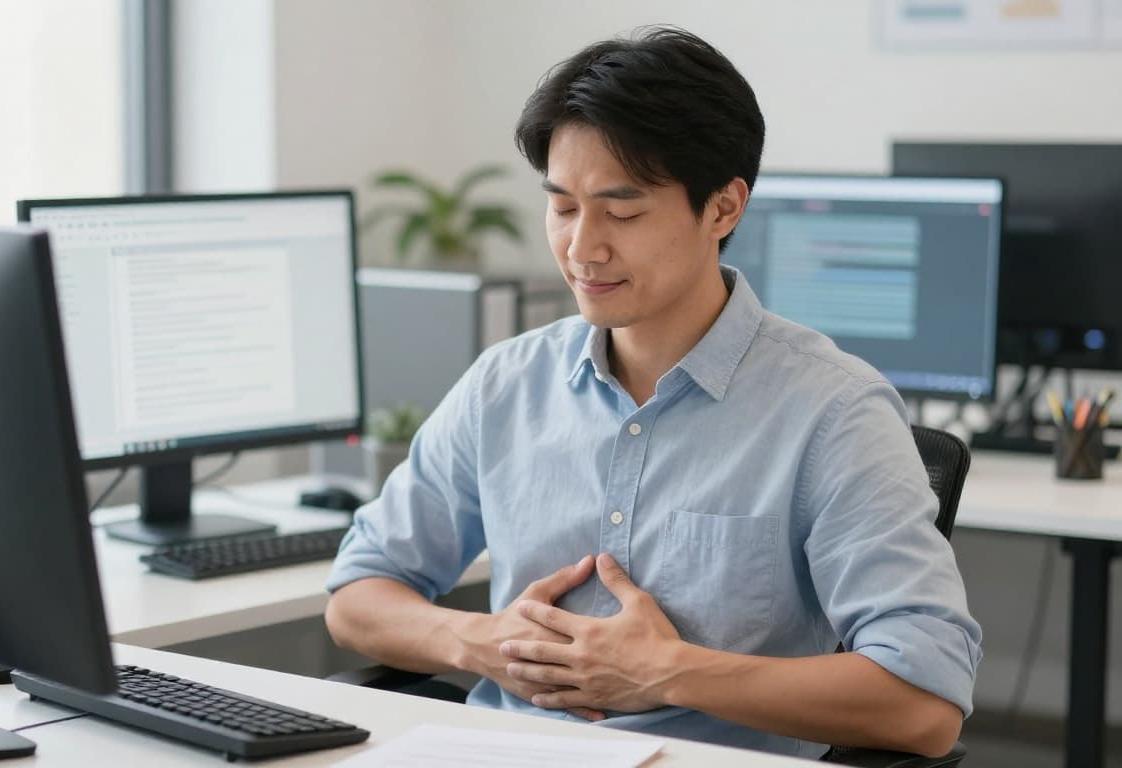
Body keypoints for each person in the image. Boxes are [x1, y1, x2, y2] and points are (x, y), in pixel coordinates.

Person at [325, 25, 980, 759]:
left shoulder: (834, 412)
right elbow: (359, 595)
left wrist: (668, 673)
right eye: (564, 207)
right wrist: (478, 640)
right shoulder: (505, 384)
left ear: (724, 209)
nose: (582, 248)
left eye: (623, 211)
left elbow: (924, 704)